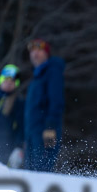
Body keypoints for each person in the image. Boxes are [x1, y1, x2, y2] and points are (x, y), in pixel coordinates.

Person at [24, 38, 65, 172]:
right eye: (33, 51)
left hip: (45, 130)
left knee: (43, 170)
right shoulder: (37, 77)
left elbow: (56, 99)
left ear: (46, 53)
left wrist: (51, 127)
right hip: (32, 132)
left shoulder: (52, 71)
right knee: (30, 170)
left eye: (39, 50)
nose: (35, 54)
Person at [0, 64, 25, 167]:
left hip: (7, 153)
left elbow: (21, 127)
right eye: (6, 80)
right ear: (1, 80)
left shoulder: (18, 102)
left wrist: (18, 147)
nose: (8, 83)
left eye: (12, 81)